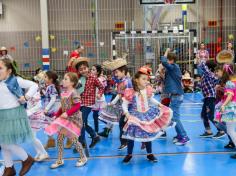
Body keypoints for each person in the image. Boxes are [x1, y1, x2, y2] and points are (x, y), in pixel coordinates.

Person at [121, 66, 173, 163]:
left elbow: (151, 100)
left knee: (148, 134)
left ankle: (149, 154)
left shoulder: (148, 89)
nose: (146, 81)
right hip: (135, 115)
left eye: (147, 79)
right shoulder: (131, 91)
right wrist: (127, 114)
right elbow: (124, 104)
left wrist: (159, 104)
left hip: (147, 114)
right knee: (131, 136)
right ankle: (129, 154)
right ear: (137, 80)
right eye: (143, 79)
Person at [0, 59, 37, 176]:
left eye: (0, 68)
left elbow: (34, 85)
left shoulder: (15, 80)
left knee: (6, 142)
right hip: (2, 115)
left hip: (13, 115)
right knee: (3, 142)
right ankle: (9, 168)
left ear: (9, 71)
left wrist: (26, 97)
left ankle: (27, 159)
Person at [45, 72, 87, 168]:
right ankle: (59, 160)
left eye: (65, 79)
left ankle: (83, 157)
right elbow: (62, 106)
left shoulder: (74, 92)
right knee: (59, 139)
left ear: (72, 83)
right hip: (64, 120)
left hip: (73, 119)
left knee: (74, 140)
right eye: (63, 79)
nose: (63, 80)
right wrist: (56, 114)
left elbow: (77, 105)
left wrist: (67, 113)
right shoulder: (64, 93)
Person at [100, 58, 133, 150]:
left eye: (117, 72)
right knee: (122, 124)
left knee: (125, 124)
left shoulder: (127, 82)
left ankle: (127, 142)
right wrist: (113, 102)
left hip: (128, 108)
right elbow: (119, 94)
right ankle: (125, 142)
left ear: (123, 72)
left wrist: (127, 110)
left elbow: (128, 97)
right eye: (115, 72)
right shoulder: (121, 81)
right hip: (124, 108)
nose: (115, 74)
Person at [73, 57, 104, 149]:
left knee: (81, 121)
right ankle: (95, 136)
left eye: (84, 68)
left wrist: (99, 94)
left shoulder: (93, 78)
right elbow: (76, 90)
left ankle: (81, 142)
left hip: (89, 103)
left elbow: (101, 87)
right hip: (80, 103)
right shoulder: (80, 79)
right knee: (84, 123)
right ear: (78, 71)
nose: (83, 71)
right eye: (80, 69)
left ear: (88, 68)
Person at [161, 48, 189, 145]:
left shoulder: (173, 67)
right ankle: (179, 135)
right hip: (175, 95)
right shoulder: (173, 68)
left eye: (168, 59)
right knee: (174, 117)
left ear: (171, 60)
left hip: (177, 96)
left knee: (174, 118)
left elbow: (163, 61)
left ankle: (184, 136)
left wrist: (166, 51)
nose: (167, 61)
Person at [197, 58, 225, 138]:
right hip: (207, 97)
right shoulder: (207, 75)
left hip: (210, 97)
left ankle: (221, 130)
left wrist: (202, 59)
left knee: (210, 116)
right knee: (204, 115)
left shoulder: (209, 74)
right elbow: (201, 85)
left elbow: (202, 64)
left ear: (208, 68)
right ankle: (208, 131)